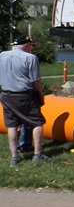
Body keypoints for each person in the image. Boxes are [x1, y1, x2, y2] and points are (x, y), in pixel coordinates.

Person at [0, 35, 47, 166]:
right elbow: (35, 80)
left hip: (6, 95)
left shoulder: (2, 55)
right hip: (24, 95)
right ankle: (37, 155)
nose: (31, 48)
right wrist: (41, 93)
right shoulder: (30, 58)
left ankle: (14, 157)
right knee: (37, 122)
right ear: (26, 45)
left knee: (12, 125)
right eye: (31, 46)